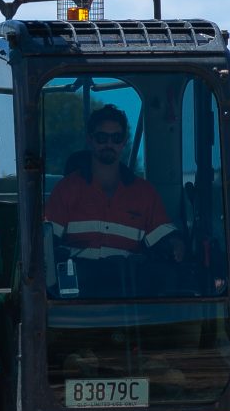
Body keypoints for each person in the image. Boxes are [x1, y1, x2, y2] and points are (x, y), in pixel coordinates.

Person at [43, 103, 174, 283]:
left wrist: (177, 246)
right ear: (90, 139)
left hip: (128, 296)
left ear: (124, 141)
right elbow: (45, 245)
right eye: (102, 137)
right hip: (75, 298)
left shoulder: (145, 194)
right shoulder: (66, 189)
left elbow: (166, 243)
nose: (109, 144)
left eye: (116, 138)